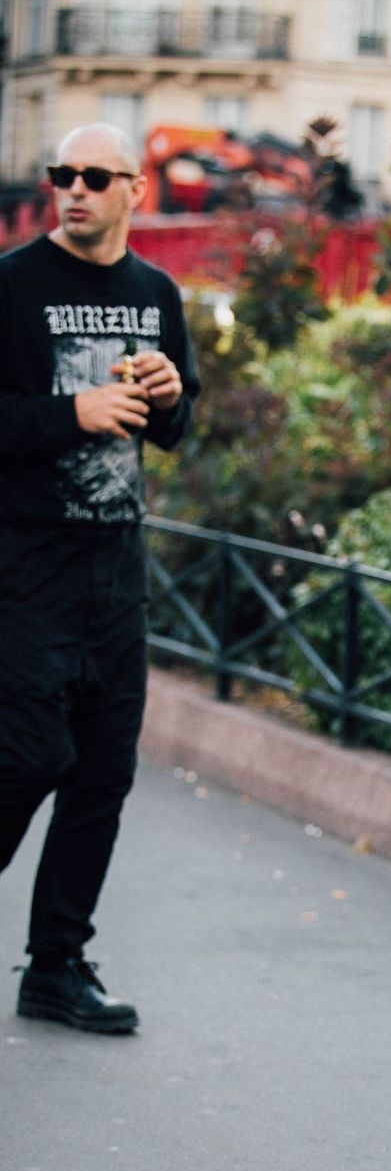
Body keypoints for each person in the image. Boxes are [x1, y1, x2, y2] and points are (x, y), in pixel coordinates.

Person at [0, 123, 199, 1033]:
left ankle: (56, 966)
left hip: (116, 571)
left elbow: (175, 426)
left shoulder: (155, 292)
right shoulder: (11, 286)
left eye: (92, 176)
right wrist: (67, 411)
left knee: (103, 775)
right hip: (24, 569)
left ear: (134, 189)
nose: (72, 189)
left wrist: (165, 396)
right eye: (61, 175)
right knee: (27, 756)